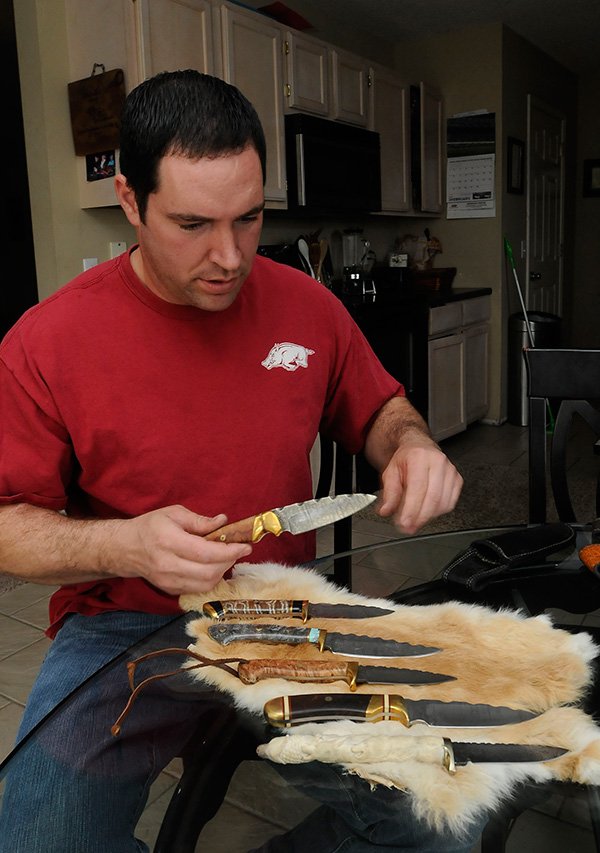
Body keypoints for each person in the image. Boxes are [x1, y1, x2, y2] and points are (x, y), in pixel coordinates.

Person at [0, 70, 477, 851]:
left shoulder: (308, 306)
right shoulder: (44, 343)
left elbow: (382, 410)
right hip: (118, 626)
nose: (229, 256)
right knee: (35, 841)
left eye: (249, 218)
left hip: (280, 613)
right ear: (130, 200)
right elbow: (5, 525)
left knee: (441, 813)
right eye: (192, 223)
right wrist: (124, 543)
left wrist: (413, 444)